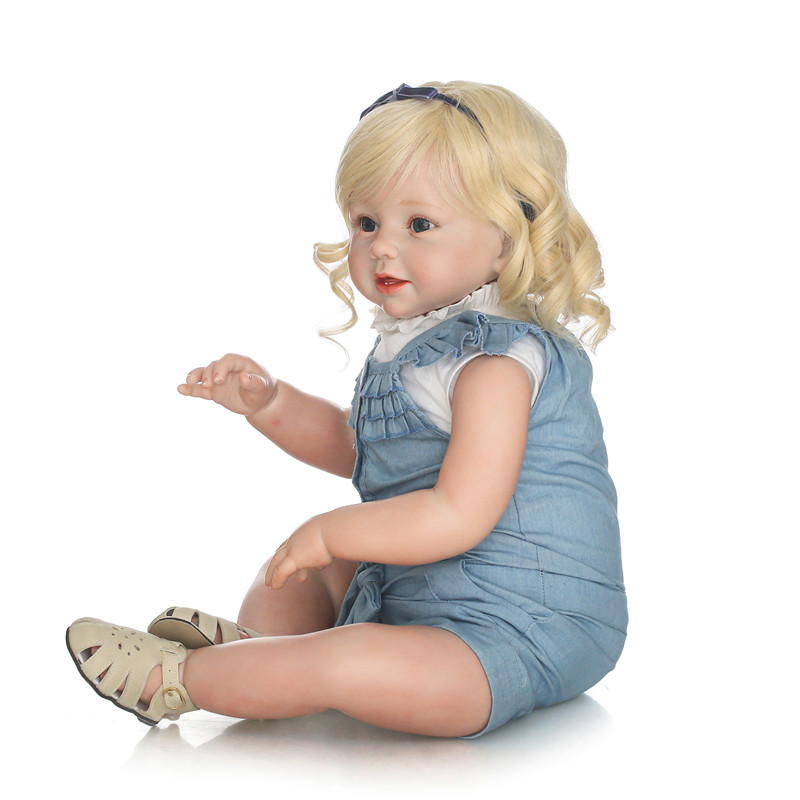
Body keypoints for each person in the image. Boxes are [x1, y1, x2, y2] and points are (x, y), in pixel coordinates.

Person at [66, 82, 627, 738]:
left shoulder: (495, 365)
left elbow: (458, 513)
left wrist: (333, 531)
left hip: (519, 632)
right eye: (367, 223)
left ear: (507, 238)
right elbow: (360, 448)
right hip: (429, 594)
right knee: (296, 571)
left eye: (419, 225)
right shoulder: (417, 345)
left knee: (346, 646)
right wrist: (270, 403)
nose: (382, 246)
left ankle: (182, 679)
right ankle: (260, 654)